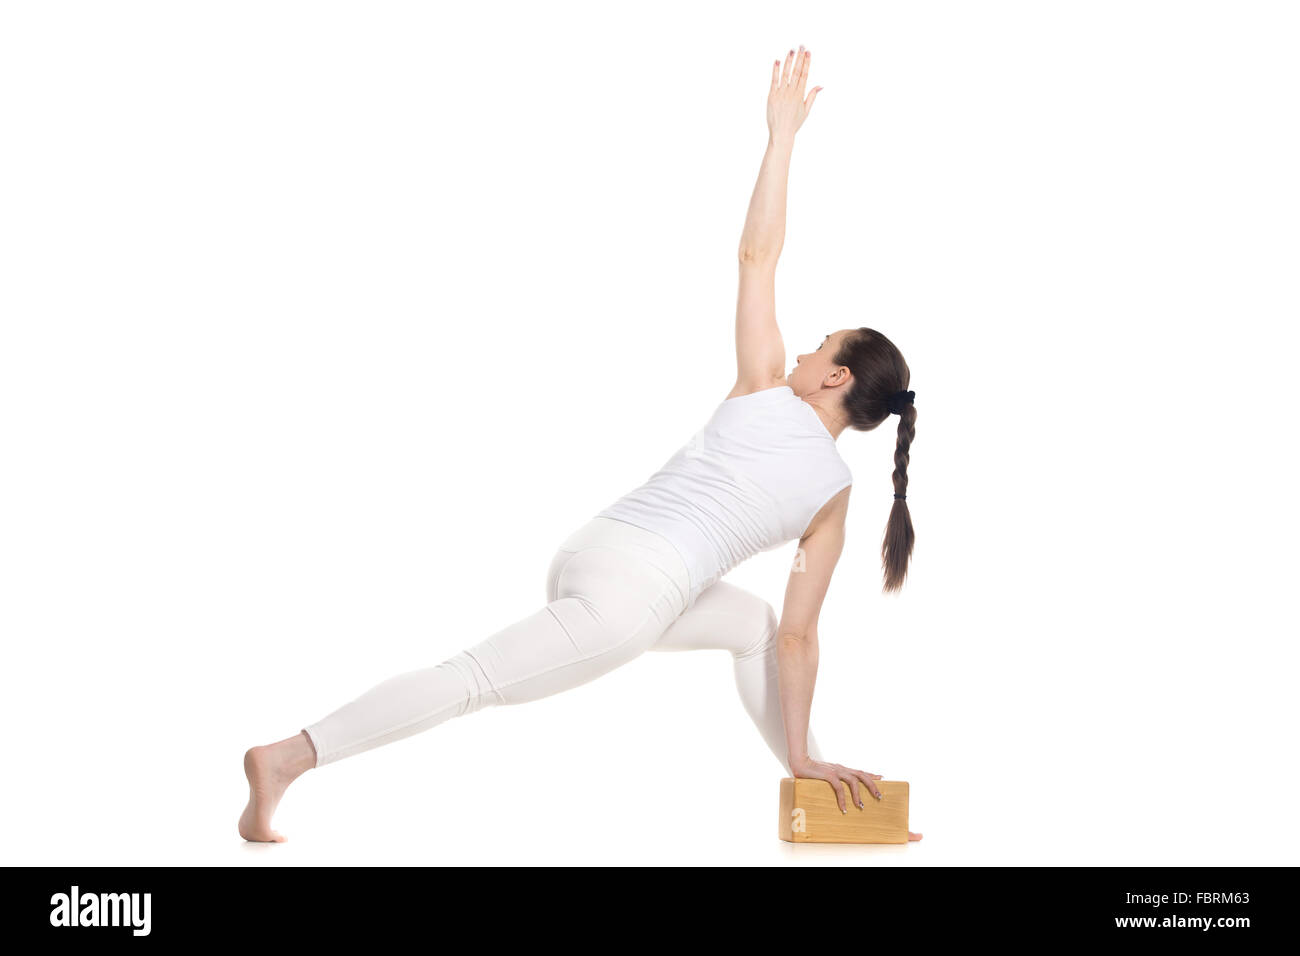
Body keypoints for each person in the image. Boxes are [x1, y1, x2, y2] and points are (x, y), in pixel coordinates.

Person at [239, 45, 922, 843]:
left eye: (820, 344)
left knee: (753, 626)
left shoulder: (762, 385)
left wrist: (780, 139)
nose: (804, 350)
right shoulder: (831, 497)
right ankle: (290, 756)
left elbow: (755, 257)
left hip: (596, 549)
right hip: (633, 596)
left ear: (835, 379)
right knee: (473, 681)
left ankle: (808, 778)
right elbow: (810, 636)